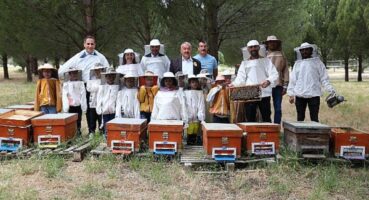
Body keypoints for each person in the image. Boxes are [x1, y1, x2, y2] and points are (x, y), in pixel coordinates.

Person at [58, 35, 109, 137]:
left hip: (98, 86)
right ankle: (91, 131)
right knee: (89, 110)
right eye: (88, 44)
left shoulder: (100, 57)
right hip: (84, 86)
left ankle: (102, 130)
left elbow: (107, 70)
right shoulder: (78, 57)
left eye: (92, 44)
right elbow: (62, 71)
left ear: (95, 45)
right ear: (84, 44)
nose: (90, 46)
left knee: (100, 107)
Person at [231, 40, 279, 122]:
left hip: (264, 93)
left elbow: (274, 74)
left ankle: (268, 134)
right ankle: (251, 135)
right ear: (248, 49)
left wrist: (268, 81)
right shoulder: (244, 63)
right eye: (251, 47)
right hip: (250, 94)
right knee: (250, 119)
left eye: (255, 46)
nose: (253, 49)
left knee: (266, 117)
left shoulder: (266, 61)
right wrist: (233, 84)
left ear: (259, 47)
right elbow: (240, 78)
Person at [287, 42, 336, 122]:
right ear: (300, 52)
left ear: (311, 50)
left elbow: (324, 78)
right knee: (300, 118)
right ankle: (300, 134)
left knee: (314, 118)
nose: (305, 52)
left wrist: (331, 90)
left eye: (307, 50)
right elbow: (293, 80)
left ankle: (315, 134)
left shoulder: (318, 63)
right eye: (302, 50)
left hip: (314, 94)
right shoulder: (297, 64)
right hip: (300, 94)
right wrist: (291, 94)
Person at [264, 35, 289, 124]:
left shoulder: (282, 54)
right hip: (265, 84)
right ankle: (267, 127)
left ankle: (276, 126)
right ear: (267, 44)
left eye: (274, 42)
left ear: (277, 43)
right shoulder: (263, 55)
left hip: (278, 84)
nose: (272, 44)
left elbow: (285, 70)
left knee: (277, 108)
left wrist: (285, 85)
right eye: (270, 42)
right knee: (265, 108)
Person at [62, 67, 87, 135]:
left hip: (78, 105)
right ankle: (71, 134)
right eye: (72, 73)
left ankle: (78, 134)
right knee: (70, 121)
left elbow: (83, 95)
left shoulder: (81, 83)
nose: (74, 74)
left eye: (75, 73)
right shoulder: (66, 84)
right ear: (69, 74)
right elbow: (64, 96)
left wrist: (84, 107)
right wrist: (66, 107)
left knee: (78, 121)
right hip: (70, 106)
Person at [96, 68, 120, 135]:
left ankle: (113, 137)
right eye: (108, 76)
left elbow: (118, 100)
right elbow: (99, 98)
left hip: (113, 111)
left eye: (112, 76)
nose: (110, 77)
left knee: (113, 126)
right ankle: (106, 137)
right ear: (105, 77)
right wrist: (99, 108)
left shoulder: (117, 87)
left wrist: (117, 110)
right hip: (105, 110)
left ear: (115, 77)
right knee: (106, 126)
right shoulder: (102, 87)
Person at [184, 75, 205, 144]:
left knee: (195, 131)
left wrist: (200, 116)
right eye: (193, 82)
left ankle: (194, 142)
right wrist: (186, 115)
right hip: (188, 116)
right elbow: (185, 105)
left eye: (196, 82)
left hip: (196, 116)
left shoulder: (200, 93)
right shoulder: (185, 93)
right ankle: (188, 143)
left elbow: (201, 105)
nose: (195, 84)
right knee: (188, 131)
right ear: (189, 84)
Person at [86, 63, 106, 136]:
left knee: (101, 118)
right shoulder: (90, 80)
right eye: (96, 70)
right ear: (94, 71)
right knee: (92, 118)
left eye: (99, 70)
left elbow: (104, 89)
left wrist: (96, 88)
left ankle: (102, 132)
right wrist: (99, 88)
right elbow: (88, 88)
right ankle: (92, 132)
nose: (98, 72)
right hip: (93, 102)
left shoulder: (104, 79)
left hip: (102, 102)